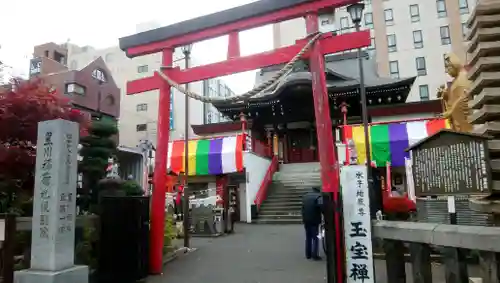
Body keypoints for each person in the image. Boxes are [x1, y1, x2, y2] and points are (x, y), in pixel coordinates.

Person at [301, 187, 323, 260]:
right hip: (314, 220)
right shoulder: (319, 196)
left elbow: (303, 208)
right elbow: (321, 208)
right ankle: (315, 255)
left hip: (306, 220)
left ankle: (308, 254)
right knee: (315, 238)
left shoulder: (305, 196)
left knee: (308, 237)